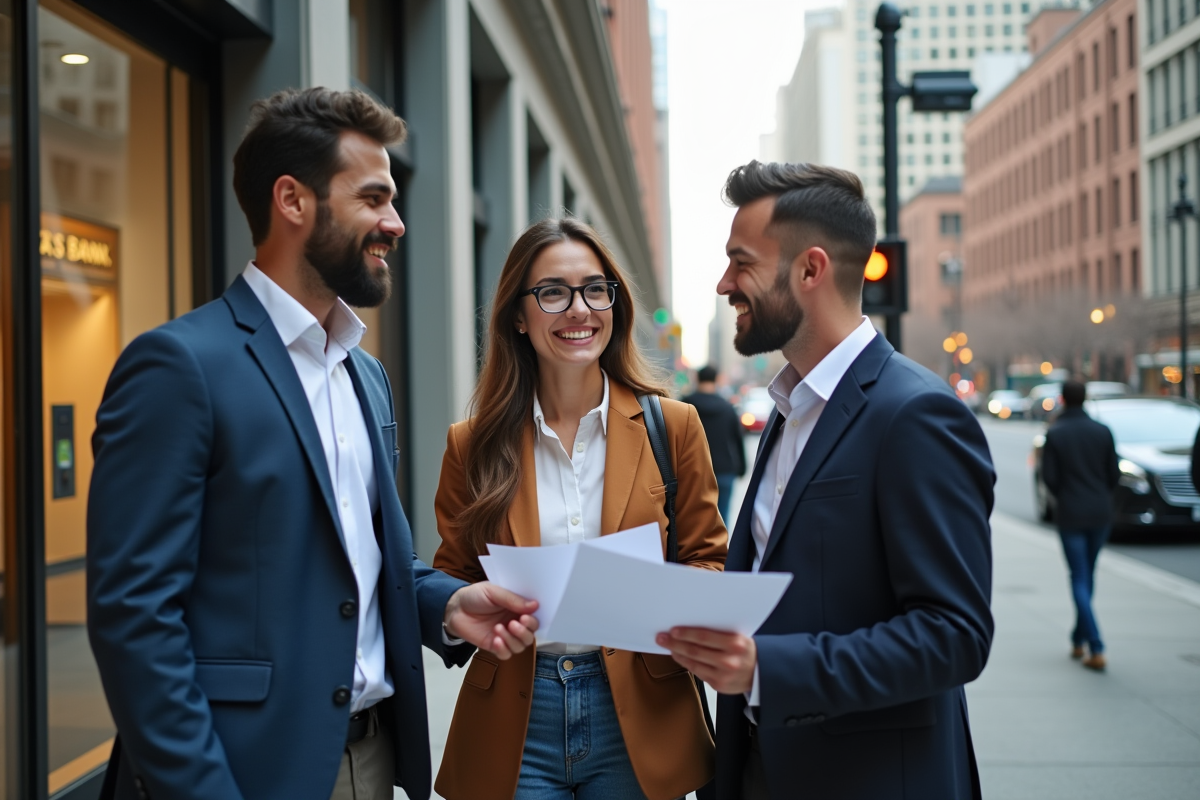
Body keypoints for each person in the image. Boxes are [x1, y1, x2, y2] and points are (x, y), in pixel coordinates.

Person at [86, 88, 539, 800]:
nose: (396, 222)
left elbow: (362, 556)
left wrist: (446, 606)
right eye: (373, 198)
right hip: (244, 770)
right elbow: (134, 617)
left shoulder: (366, 375)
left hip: (375, 757)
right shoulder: (178, 366)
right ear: (292, 201)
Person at [656, 161, 995, 800]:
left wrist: (768, 668)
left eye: (741, 263)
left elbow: (955, 635)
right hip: (759, 768)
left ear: (810, 270)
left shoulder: (916, 414)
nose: (725, 284)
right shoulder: (790, 408)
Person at [431, 217, 728, 800]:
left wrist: (653, 599)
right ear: (518, 316)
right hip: (517, 715)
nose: (579, 309)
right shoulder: (471, 445)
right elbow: (453, 577)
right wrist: (465, 609)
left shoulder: (674, 427)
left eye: (595, 290)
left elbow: (710, 561)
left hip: (641, 707)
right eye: (553, 293)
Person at [1042, 379, 1120, 671]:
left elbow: (1049, 478)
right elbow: (1114, 473)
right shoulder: (1102, 431)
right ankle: (1078, 638)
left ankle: (1095, 645)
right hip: (1100, 512)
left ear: (1062, 399)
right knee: (1087, 574)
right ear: (1085, 398)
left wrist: (1066, 495)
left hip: (1071, 512)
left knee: (1079, 576)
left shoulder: (1055, 433)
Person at [682, 366, 747, 523]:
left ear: (697, 379)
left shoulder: (684, 406)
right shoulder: (727, 407)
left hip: (693, 471)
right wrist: (742, 467)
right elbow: (738, 439)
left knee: (694, 520)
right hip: (724, 469)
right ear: (716, 379)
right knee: (722, 518)